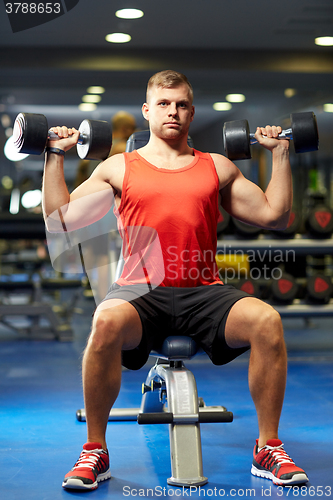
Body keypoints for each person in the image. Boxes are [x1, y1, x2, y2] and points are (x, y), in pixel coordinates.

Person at [42, 70, 309, 490]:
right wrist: (54, 155)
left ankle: (267, 446)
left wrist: (278, 153)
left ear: (192, 112)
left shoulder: (215, 167)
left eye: (181, 104)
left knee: (267, 321)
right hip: (139, 291)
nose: (173, 111)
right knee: (105, 322)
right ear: (147, 111)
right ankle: (95, 448)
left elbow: (273, 215)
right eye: (164, 104)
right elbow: (60, 221)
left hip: (204, 292)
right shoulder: (118, 167)